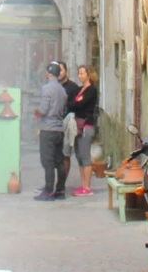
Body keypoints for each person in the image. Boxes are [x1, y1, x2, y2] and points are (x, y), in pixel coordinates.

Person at [34, 61, 68, 200]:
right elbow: (64, 110)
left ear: (48, 73)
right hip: (59, 129)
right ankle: (60, 190)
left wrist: (36, 111)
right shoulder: (62, 89)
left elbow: (43, 110)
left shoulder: (47, 88)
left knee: (47, 161)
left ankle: (48, 191)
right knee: (59, 161)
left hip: (48, 129)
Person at [69, 64, 99, 196]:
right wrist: (77, 103)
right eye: (79, 73)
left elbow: (81, 105)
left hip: (86, 125)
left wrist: (77, 103)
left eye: (82, 73)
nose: (79, 76)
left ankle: (87, 187)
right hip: (77, 126)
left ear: (89, 75)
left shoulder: (91, 90)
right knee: (79, 156)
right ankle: (83, 184)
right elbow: (70, 105)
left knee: (85, 156)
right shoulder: (79, 89)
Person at [58, 62, 80, 180]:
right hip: (55, 124)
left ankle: (62, 182)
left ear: (66, 71)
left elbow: (77, 105)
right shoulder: (53, 86)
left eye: (61, 70)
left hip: (67, 123)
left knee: (65, 154)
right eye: (57, 70)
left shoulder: (73, 87)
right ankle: (53, 182)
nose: (59, 73)